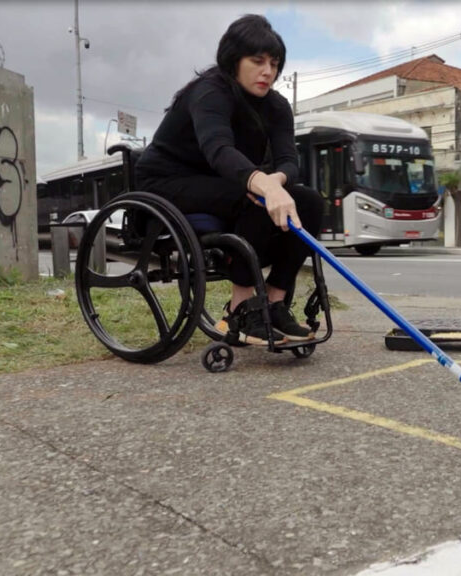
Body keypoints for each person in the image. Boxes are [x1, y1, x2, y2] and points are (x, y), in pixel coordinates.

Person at [135, 14, 323, 345]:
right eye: (258, 61)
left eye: (275, 63)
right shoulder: (209, 93)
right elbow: (218, 148)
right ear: (233, 60)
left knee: (310, 202)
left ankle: (276, 304)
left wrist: (276, 181)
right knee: (251, 197)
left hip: (222, 179)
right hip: (167, 180)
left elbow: (289, 160)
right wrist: (263, 185)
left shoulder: (276, 106)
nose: (269, 71)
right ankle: (241, 309)